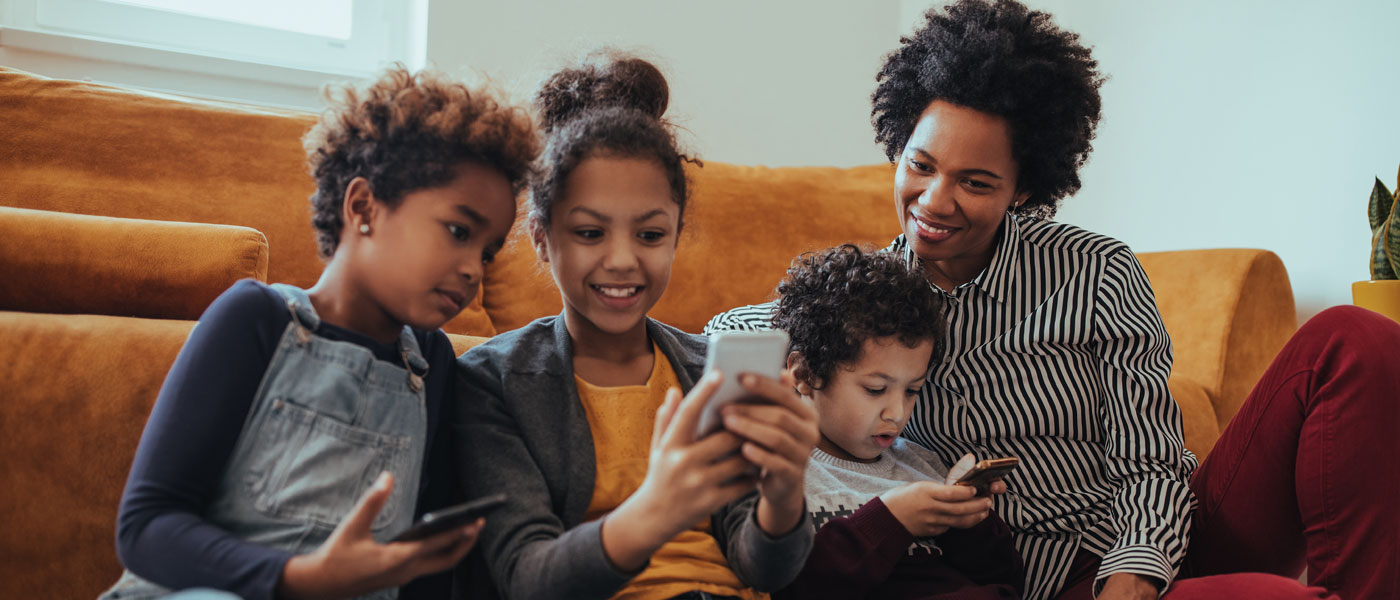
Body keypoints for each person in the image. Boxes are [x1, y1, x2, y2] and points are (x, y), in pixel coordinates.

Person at [707, 1, 1398, 598]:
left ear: (1026, 188)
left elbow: (1152, 462)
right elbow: (736, 330)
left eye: (975, 182)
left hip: (1151, 548)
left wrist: (1131, 576)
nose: (934, 201)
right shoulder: (869, 304)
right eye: (920, 166)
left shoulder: (1096, 271)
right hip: (1027, 579)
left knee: (1351, 337)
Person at [99, 66, 539, 600]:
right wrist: (302, 581)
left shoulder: (433, 362)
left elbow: (423, 569)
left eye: (486, 252)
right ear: (363, 208)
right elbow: (146, 527)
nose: (474, 268)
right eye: (458, 231)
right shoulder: (254, 320)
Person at [454, 55, 818, 600]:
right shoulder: (491, 382)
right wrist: (658, 508)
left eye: (650, 235)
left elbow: (765, 569)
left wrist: (784, 497)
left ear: (675, 235)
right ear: (541, 237)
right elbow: (527, 578)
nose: (623, 259)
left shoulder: (705, 369)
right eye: (589, 232)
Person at [768, 244, 1024, 600]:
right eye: (875, 389)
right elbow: (795, 587)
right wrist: (891, 520)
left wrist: (967, 521)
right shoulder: (780, 473)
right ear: (805, 373)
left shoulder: (920, 464)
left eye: (912, 391)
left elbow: (1005, 578)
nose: (897, 413)